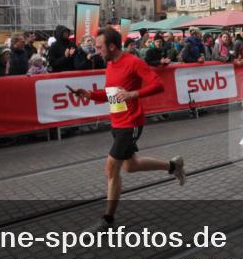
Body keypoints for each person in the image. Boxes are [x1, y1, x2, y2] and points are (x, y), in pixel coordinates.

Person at [73, 28, 184, 231]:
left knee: (111, 169)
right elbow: (112, 94)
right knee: (130, 166)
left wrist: (133, 94)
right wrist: (90, 94)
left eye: (99, 47)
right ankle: (173, 166)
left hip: (131, 123)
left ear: (111, 46)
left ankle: (108, 220)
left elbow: (158, 85)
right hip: (117, 122)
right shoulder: (110, 64)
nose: (97, 50)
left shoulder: (133, 62)